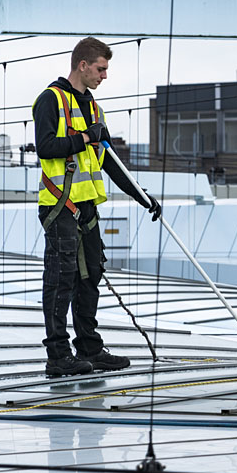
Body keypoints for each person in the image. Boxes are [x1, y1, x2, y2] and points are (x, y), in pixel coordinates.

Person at [33, 37, 162, 377]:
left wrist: (141, 195)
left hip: (87, 209)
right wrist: (87, 137)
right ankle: (58, 356)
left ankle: (89, 347)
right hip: (60, 207)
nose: (104, 76)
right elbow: (46, 147)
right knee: (61, 280)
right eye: (101, 69)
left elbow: (107, 161)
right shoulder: (51, 100)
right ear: (83, 65)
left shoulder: (93, 108)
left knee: (90, 276)